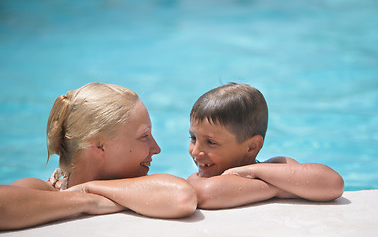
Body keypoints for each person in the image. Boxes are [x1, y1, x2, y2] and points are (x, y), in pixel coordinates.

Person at [0, 82, 197, 230]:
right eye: (144, 136)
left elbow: (182, 196)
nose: (157, 148)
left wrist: (88, 188)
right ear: (100, 146)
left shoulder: (140, 187)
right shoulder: (45, 190)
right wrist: (88, 201)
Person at [187, 83, 344, 209]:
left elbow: (333, 183)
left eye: (211, 142)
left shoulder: (276, 165)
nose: (195, 151)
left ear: (251, 147)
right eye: (193, 138)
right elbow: (206, 194)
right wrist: (278, 189)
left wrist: (252, 170)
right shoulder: (198, 179)